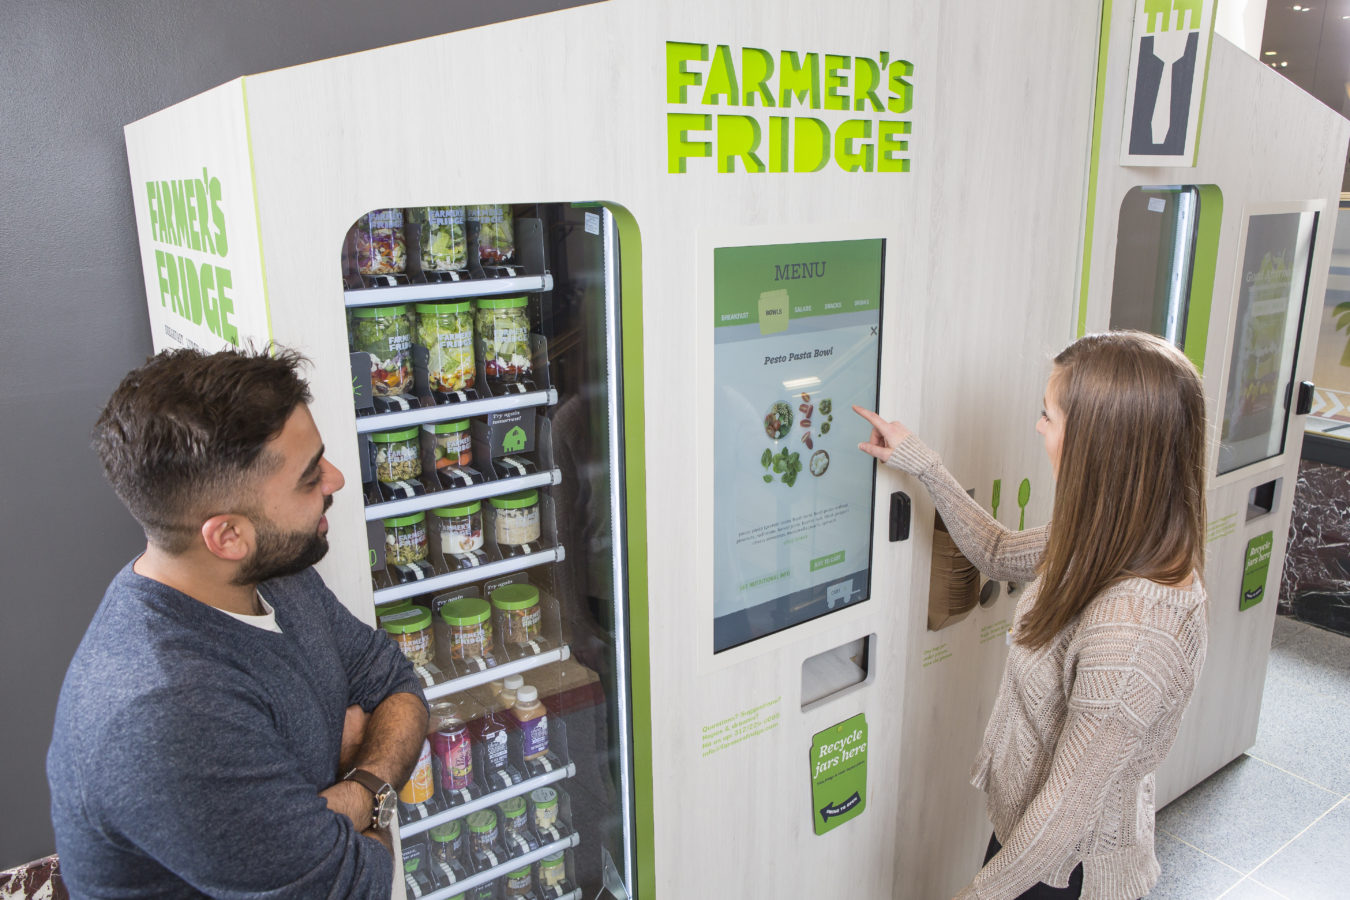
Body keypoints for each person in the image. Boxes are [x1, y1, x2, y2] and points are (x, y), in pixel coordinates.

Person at [48, 346, 430, 898]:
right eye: (308, 478)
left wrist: (354, 793)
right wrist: (356, 782)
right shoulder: (166, 712)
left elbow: (396, 683)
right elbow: (357, 884)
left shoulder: (271, 571)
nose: (337, 479)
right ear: (227, 536)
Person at [856, 331, 1209, 900]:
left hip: (1062, 874)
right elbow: (998, 551)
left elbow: (1062, 822)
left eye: (1048, 416)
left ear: (1101, 444)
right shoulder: (1107, 540)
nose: (1038, 427)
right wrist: (922, 464)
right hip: (1031, 848)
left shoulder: (1137, 628)